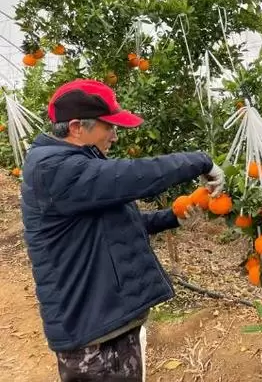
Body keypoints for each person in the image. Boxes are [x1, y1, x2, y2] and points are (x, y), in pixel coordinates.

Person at [20, 79, 225, 382]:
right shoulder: (55, 170)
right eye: (109, 127)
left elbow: (114, 227)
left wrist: (172, 217)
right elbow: (136, 175)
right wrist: (200, 161)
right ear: (77, 127)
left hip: (105, 319)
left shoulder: (77, 166)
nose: (115, 136)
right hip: (93, 332)